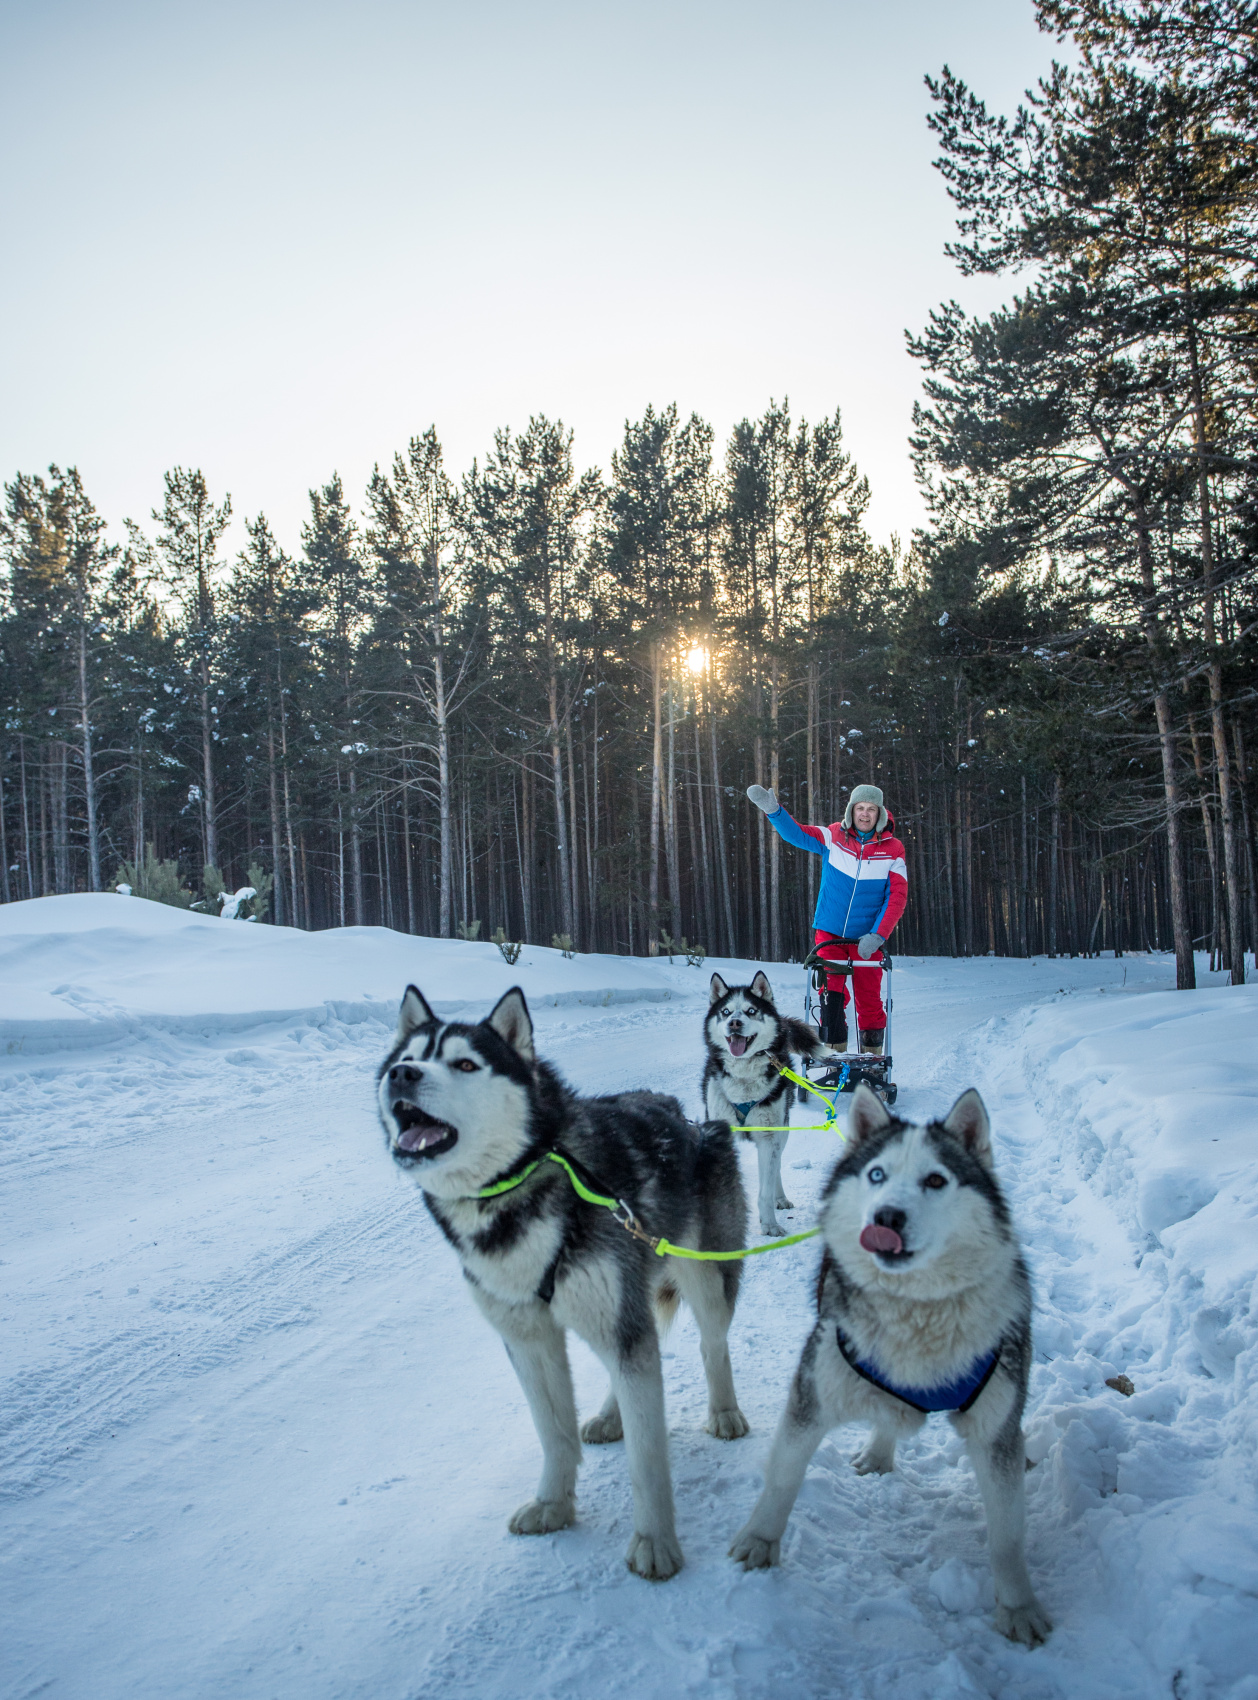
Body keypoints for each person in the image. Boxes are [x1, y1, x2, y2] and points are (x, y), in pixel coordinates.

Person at [745, 781, 907, 1054]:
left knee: (869, 1001)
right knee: (831, 998)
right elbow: (797, 834)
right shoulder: (834, 835)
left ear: (879, 813)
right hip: (829, 935)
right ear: (851, 810)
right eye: (859, 808)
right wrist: (774, 811)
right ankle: (835, 1057)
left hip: (867, 938)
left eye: (870, 809)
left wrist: (879, 934)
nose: (864, 814)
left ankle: (873, 1061)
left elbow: (897, 896)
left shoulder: (893, 849)